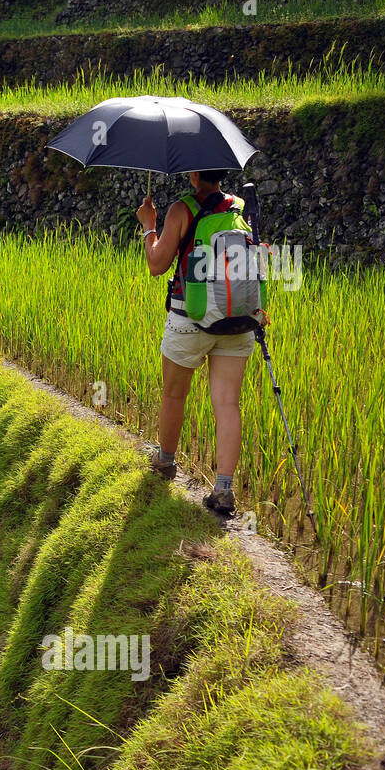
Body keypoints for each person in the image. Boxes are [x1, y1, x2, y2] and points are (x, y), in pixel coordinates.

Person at [135, 169, 255, 515]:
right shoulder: (239, 208)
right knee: (228, 404)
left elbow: (157, 264)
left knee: (174, 394)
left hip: (191, 319)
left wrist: (149, 225)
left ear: (195, 172)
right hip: (236, 321)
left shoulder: (181, 210)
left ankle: (165, 463)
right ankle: (223, 490)